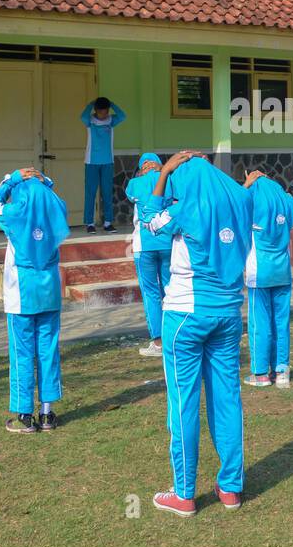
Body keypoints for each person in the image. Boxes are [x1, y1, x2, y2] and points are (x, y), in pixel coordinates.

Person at [141, 152, 252, 517]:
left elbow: (148, 219)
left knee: (184, 402)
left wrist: (166, 171)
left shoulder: (184, 210)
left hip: (186, 316)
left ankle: (185, 493)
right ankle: (231, 488)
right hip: (228, 315)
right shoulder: (240, 202)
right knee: (227, 399)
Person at [0, 167, 71, 433]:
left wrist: (12, 178)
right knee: (48, 351)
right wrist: (43, 180)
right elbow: (55, 197)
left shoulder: (13, 214)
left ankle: (24, 416)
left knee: (22, 353)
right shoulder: (56, 211)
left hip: (21, 292)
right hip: (49, 290)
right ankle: (47, 414)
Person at [242, 171, 293, 388]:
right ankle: (282, 371)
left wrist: (247, 184)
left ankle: (260, 373)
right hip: (283, 270)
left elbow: (231, 205)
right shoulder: (284, 200)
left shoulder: (251, 199)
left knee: (260, 322)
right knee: (281, 322)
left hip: (260, 271)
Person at [125, 153, 172, 358]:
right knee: (172, 291)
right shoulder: (170, 180)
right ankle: (175, 338)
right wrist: (160, 172)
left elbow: (131, 192)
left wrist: (146, 173)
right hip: (169, 243)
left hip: (144, 246)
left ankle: (159, 343)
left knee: (151, 294)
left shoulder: (135, 183)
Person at [80, 96, 127, 233]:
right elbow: (83, 115)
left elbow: (123, 115)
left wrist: (111, 103)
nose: (104, 115)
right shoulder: (89, 121)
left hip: (107, 162)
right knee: (90, 193)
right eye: (101, 112)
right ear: (96, 110)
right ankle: (89, 223)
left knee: (107, 193)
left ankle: (108, 223)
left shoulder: (111, 120)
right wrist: (91, 103)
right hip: (91, 162)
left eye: (106, 111)